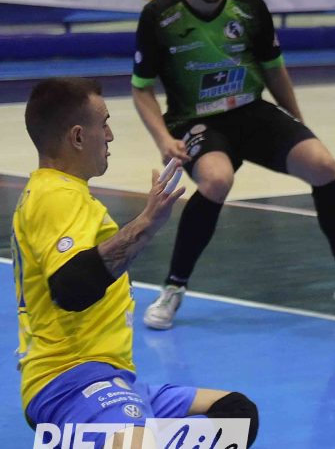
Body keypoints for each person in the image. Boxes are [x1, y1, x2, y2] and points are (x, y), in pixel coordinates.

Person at [132, 0, 335, 330]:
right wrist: (163, 138)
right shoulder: (160, 17)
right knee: (217, 180)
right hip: (194, 120)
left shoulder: (249, 7)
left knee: (323, 164)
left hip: (250, 111)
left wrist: (298, 123)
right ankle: (174, 286)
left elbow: (274, 70)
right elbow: (141, 89)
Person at [13, 77, 259, 446]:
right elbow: (71, 288)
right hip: (70, 379)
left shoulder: (67, 195)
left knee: (234, 413)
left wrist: (146, 224)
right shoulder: (55, 195)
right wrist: (146, 224)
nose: (110, 136)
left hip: (115, 378)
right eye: (104, 124)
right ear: (78, 137)